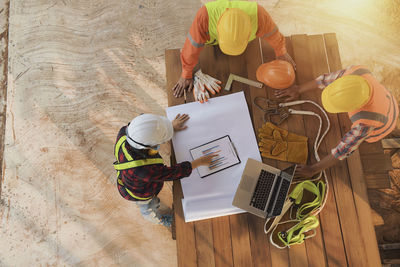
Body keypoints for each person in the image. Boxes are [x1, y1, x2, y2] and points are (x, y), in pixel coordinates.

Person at [275, 65, 399, 176]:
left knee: (367, 138)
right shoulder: (356, 72)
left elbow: (344, 149)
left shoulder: (366, 123)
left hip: (385, 124)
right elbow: (325, 79)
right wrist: (298, 89)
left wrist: (313, 169)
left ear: (354, 108)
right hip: (386, 98)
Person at [172, 0, 295, 98]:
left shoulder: (259, 15)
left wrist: (281, 51)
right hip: (213, 40)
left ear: (247, 34)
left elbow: (273, 34)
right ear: (219, 29)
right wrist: (186, 74)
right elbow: (191, 47)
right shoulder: (204, 16)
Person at [113, 113, 216, 227]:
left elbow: (148, 130)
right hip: (139, 193)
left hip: (129, 177)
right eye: (160, 141)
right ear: (149, 147)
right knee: (149, 207)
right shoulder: (144, 170)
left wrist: (169, 127)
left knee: (152, 199)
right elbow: (174, 173)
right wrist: (200, 162)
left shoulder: (125, 132)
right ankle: (157, 218)